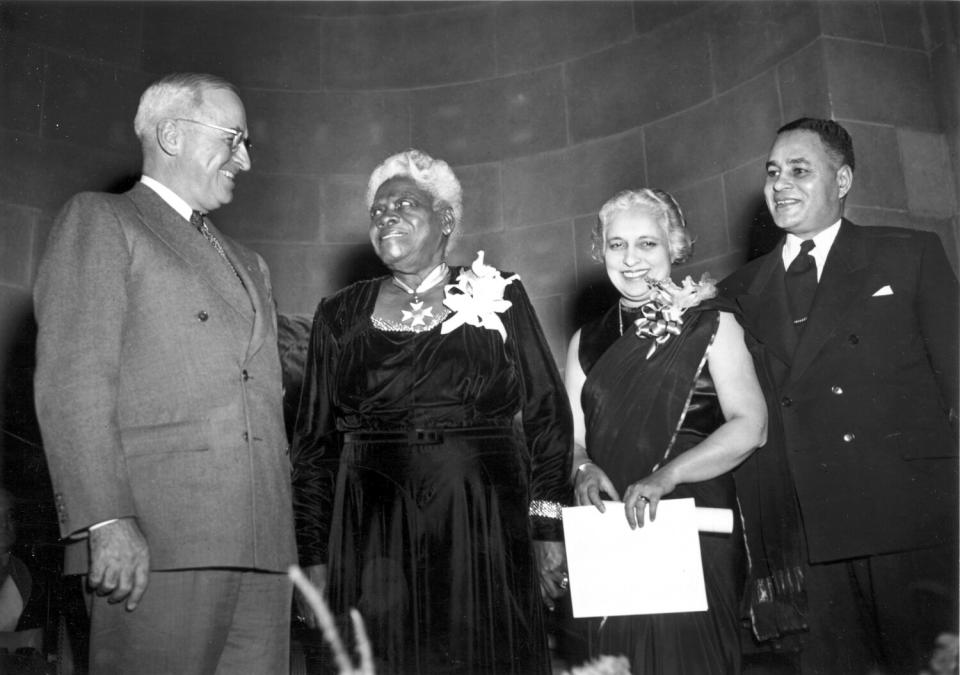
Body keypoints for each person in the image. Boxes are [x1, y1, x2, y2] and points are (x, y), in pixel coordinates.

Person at [33, 72, 297, 674]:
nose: (246, 160)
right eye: (234, 138)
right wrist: (106, 518)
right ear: (172, 134)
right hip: (161, 540)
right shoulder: (102, 220)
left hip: (261, 544)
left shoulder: (250, 263)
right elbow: (73, 381)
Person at [291, 148, 572, 675]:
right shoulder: (338, 313)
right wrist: (312, 556)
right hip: (370, 529)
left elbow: (547, 413)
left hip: (482, 521)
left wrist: (547, 528)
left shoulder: (501, 291)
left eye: (403, 204)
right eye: (377, 211)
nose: (386, 216)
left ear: (445, 218)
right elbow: (313, 446)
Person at [720, 117, 959, 674]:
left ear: (843, 179)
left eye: (800, 171)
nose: (781, 185)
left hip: (907, 518)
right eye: (773, 172)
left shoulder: (910, 254)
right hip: (803, 532)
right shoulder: (736, 292)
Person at [565, 188, 767, 674]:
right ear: (601, 251)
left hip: (694, 514)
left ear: (675, 247)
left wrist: (668, 476)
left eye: (647, 244)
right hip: (614, 523)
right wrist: (583, 470)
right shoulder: (583, 341)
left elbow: (751, 425)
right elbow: (571, 438)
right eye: (616, 245)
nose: (631, 259)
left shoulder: (713, 321)